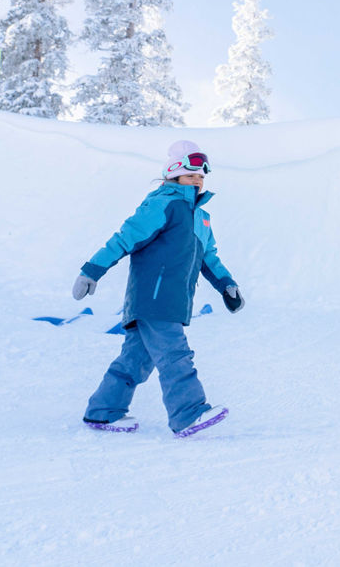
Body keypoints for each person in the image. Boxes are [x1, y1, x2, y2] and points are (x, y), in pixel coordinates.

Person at [72, 140, 245, 438]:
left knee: (134, 361)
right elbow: (125, 238)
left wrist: (227, 285)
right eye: (191, 175)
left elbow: (209, 257)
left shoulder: (201, 216)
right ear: (173, 175)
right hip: (154, 295)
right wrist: (92, 270)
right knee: (175, 355)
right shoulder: (164, 203)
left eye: (201, 176)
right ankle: (188, 413)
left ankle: (103, 412)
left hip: (173, 299)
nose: (198, 180)